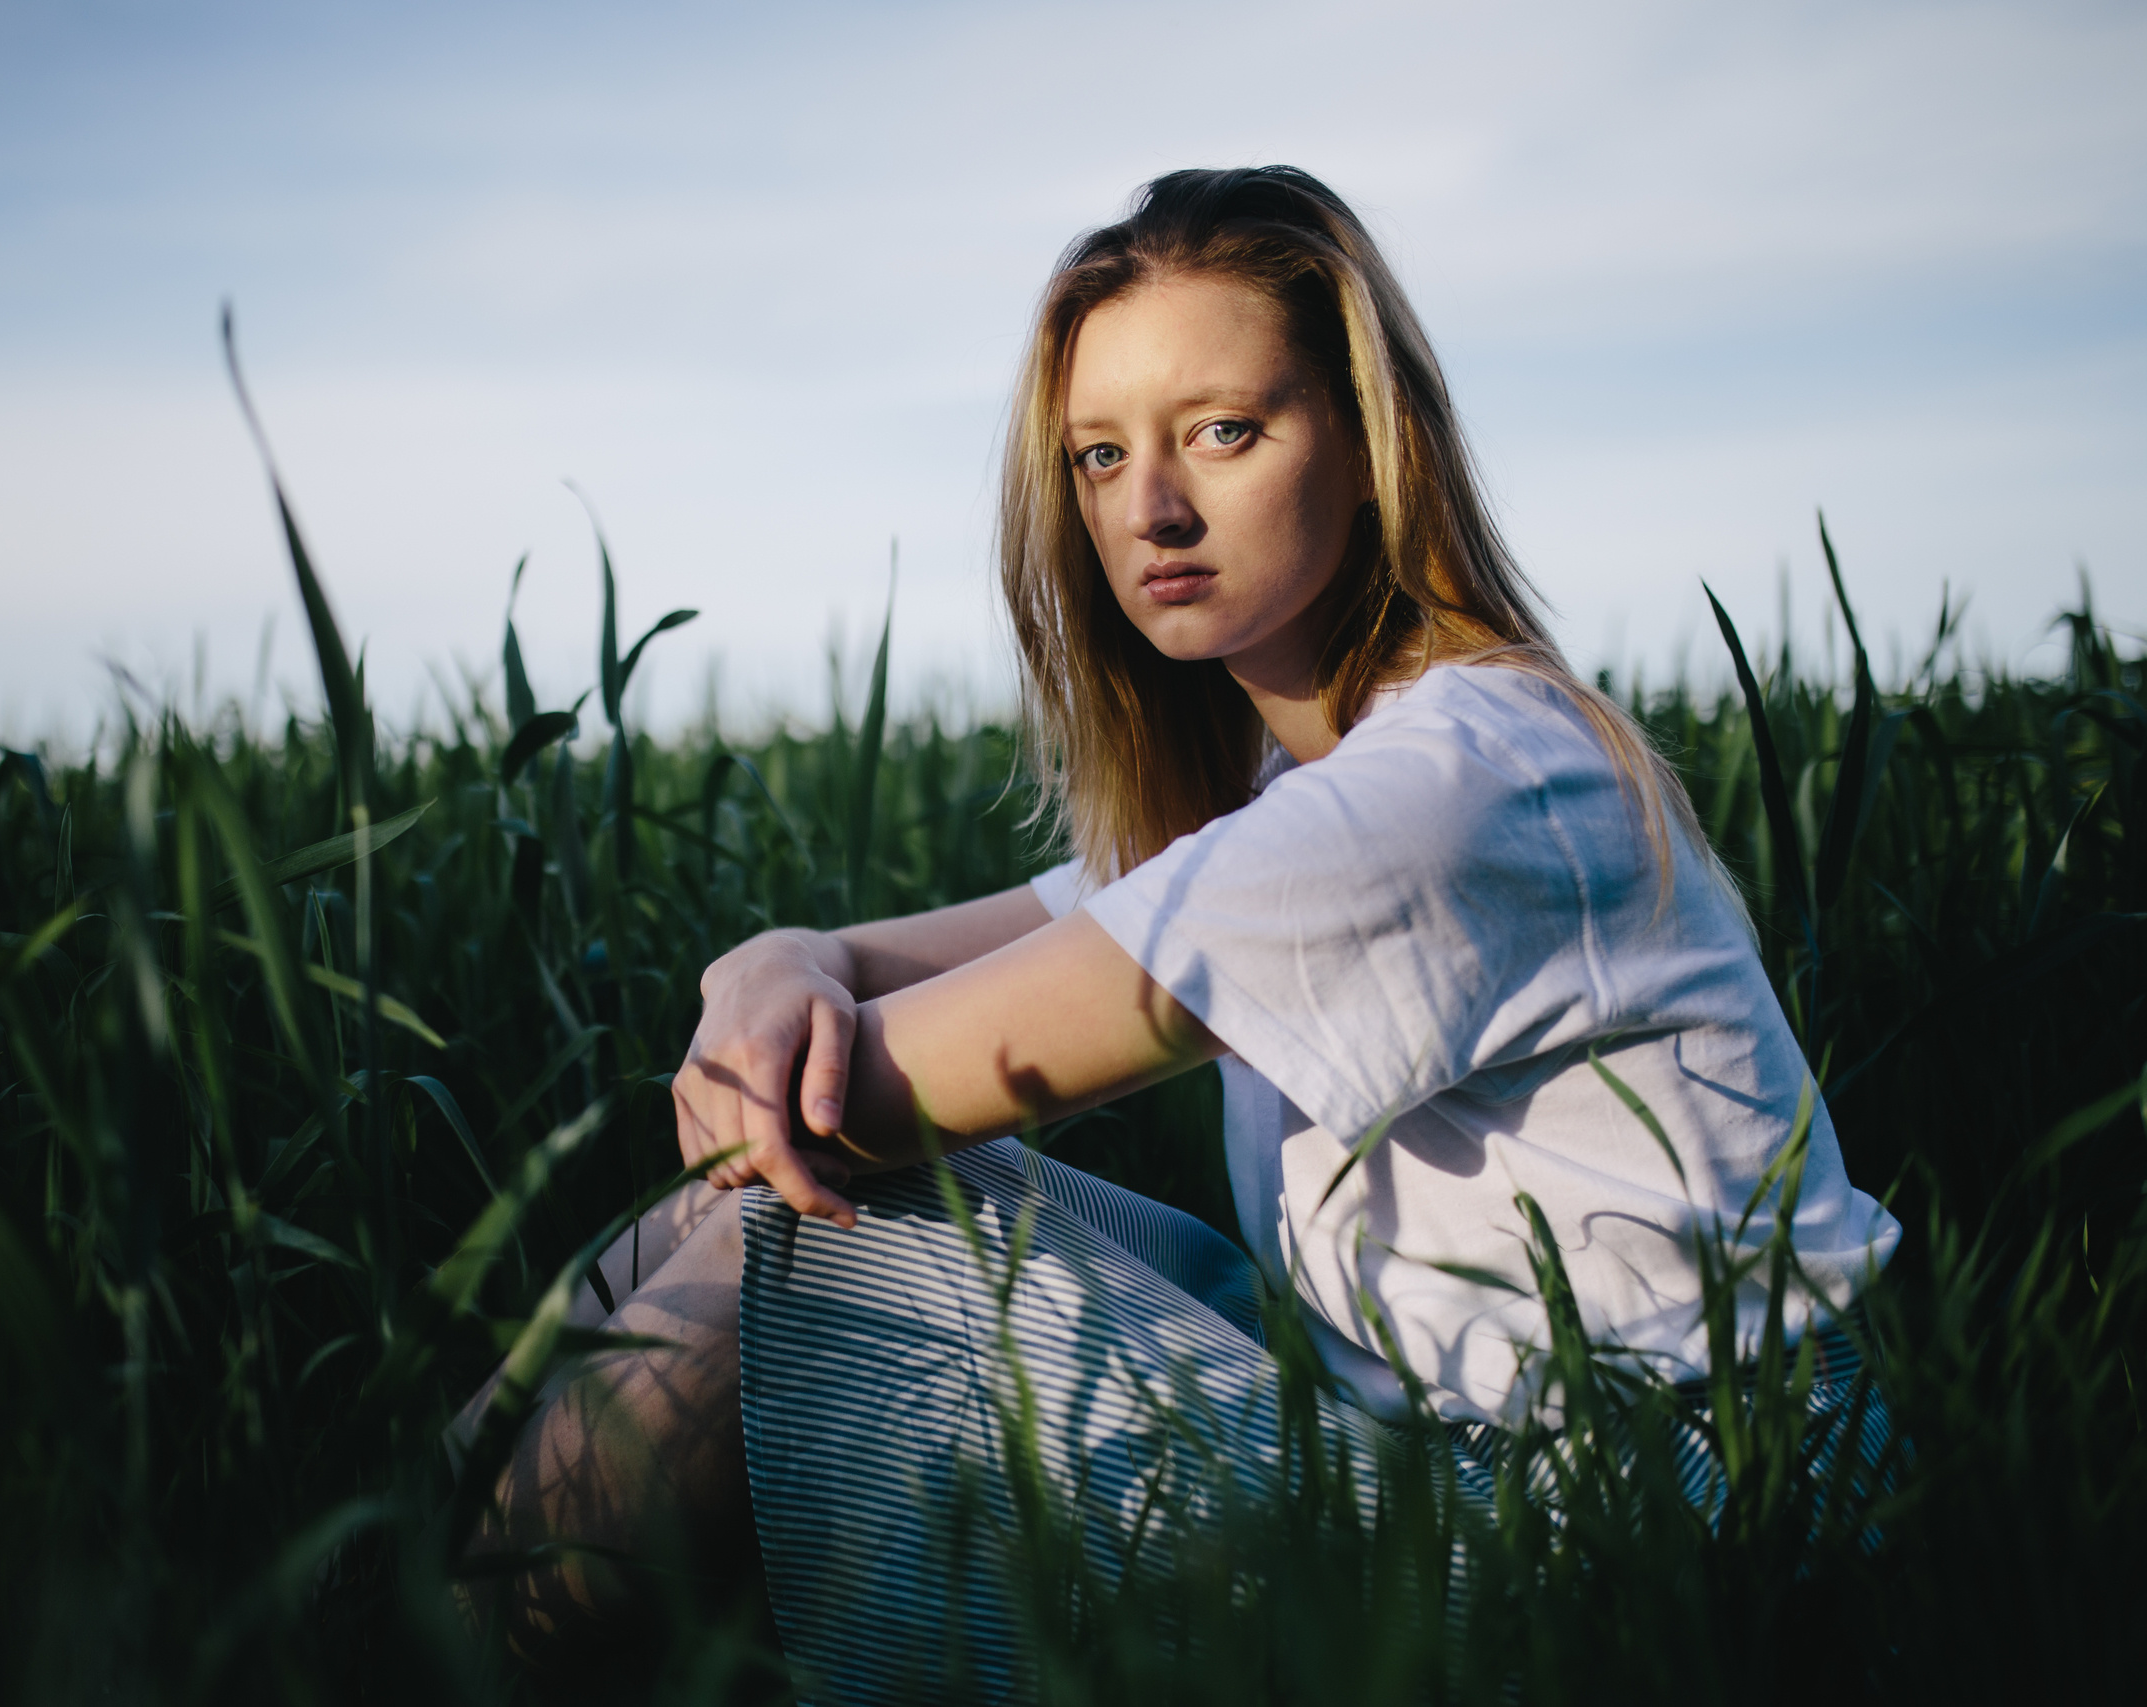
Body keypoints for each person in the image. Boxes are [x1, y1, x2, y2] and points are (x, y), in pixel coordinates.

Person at [464, 166, 1901, 1698]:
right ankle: (404, 1593)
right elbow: (869, 962)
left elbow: (851, 1100)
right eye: (1098, 455)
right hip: (1479, 1448)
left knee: (799, 1223)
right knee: (752, 1214)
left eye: (1222, 431)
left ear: (1367, 442)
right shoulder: (1310, 783)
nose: (1148, 509)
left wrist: (775, 1035)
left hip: (1636, 1536)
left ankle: (423, 1655)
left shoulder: (1442, 791)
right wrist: (767, 965)